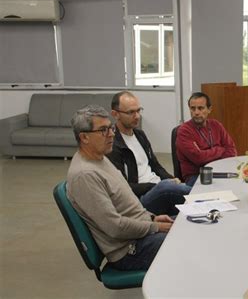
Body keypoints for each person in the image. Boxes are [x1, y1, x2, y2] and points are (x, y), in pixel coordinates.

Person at [67, 105, 174, 271]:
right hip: (130, 250)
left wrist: (152, 219)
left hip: (140, 235)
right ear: (84, 137)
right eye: (103, 130)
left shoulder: (100, 157)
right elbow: (114, 227)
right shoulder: (85, 175)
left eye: (110, 128)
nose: (111, 134)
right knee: (190, 242)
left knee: (191, 226)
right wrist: (155, 227)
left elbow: (127, 206)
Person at [107, 91, 191, 216]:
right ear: (115, 114)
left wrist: (172, 179)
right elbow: (123, 187)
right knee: (169, 188)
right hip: (139, 199)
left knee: (184, 207)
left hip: (158, 189)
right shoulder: (112, 145)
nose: (137, 116)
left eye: (138, 110)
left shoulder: (140, 135)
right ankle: (207, 198)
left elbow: (155, 166)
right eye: (130, 112)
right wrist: (155, 186)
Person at [176, 92, 237, 186]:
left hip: (219, 171)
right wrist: (220, 149)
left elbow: (232, 151)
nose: (196, 112)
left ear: (209, 109)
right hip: (196, 176)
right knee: (221, 189)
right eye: (193, 108)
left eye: (201, 108)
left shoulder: (216, 125)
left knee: (239, 183)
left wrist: (206, 154)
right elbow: (198, 158)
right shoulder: (184, 131)